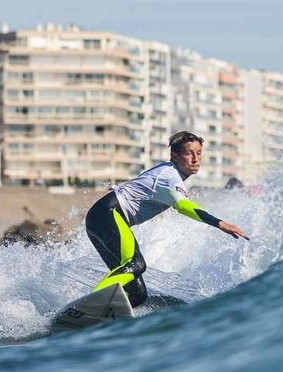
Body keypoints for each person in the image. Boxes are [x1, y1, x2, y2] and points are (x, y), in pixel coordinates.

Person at [84, 131, 249, 308]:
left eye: (199, 153)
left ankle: (101, 316)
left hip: (102, 219)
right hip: (108, 214)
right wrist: (220, 223)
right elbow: (185, 207)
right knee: (135, 264)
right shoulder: (170, 176)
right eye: (189, 153)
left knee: (138, 294)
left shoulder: (169, 173)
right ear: (175, 156)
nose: (195, 159)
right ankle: (91, 304)